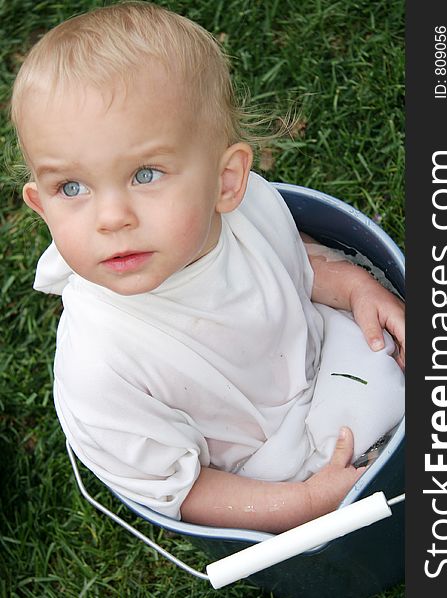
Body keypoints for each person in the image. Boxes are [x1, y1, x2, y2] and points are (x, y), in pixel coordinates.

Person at [10, 1, 404, 534]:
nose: (111, 218)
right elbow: (186, 488)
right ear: (40, 204)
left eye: (145, 174)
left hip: (320, 355)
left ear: (226, 181)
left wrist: (356, 286)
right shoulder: (101, 369)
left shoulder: (246, 210)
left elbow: (292, 261)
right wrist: (305, 502)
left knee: (405, 348)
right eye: (71, 188)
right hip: (261, 474)